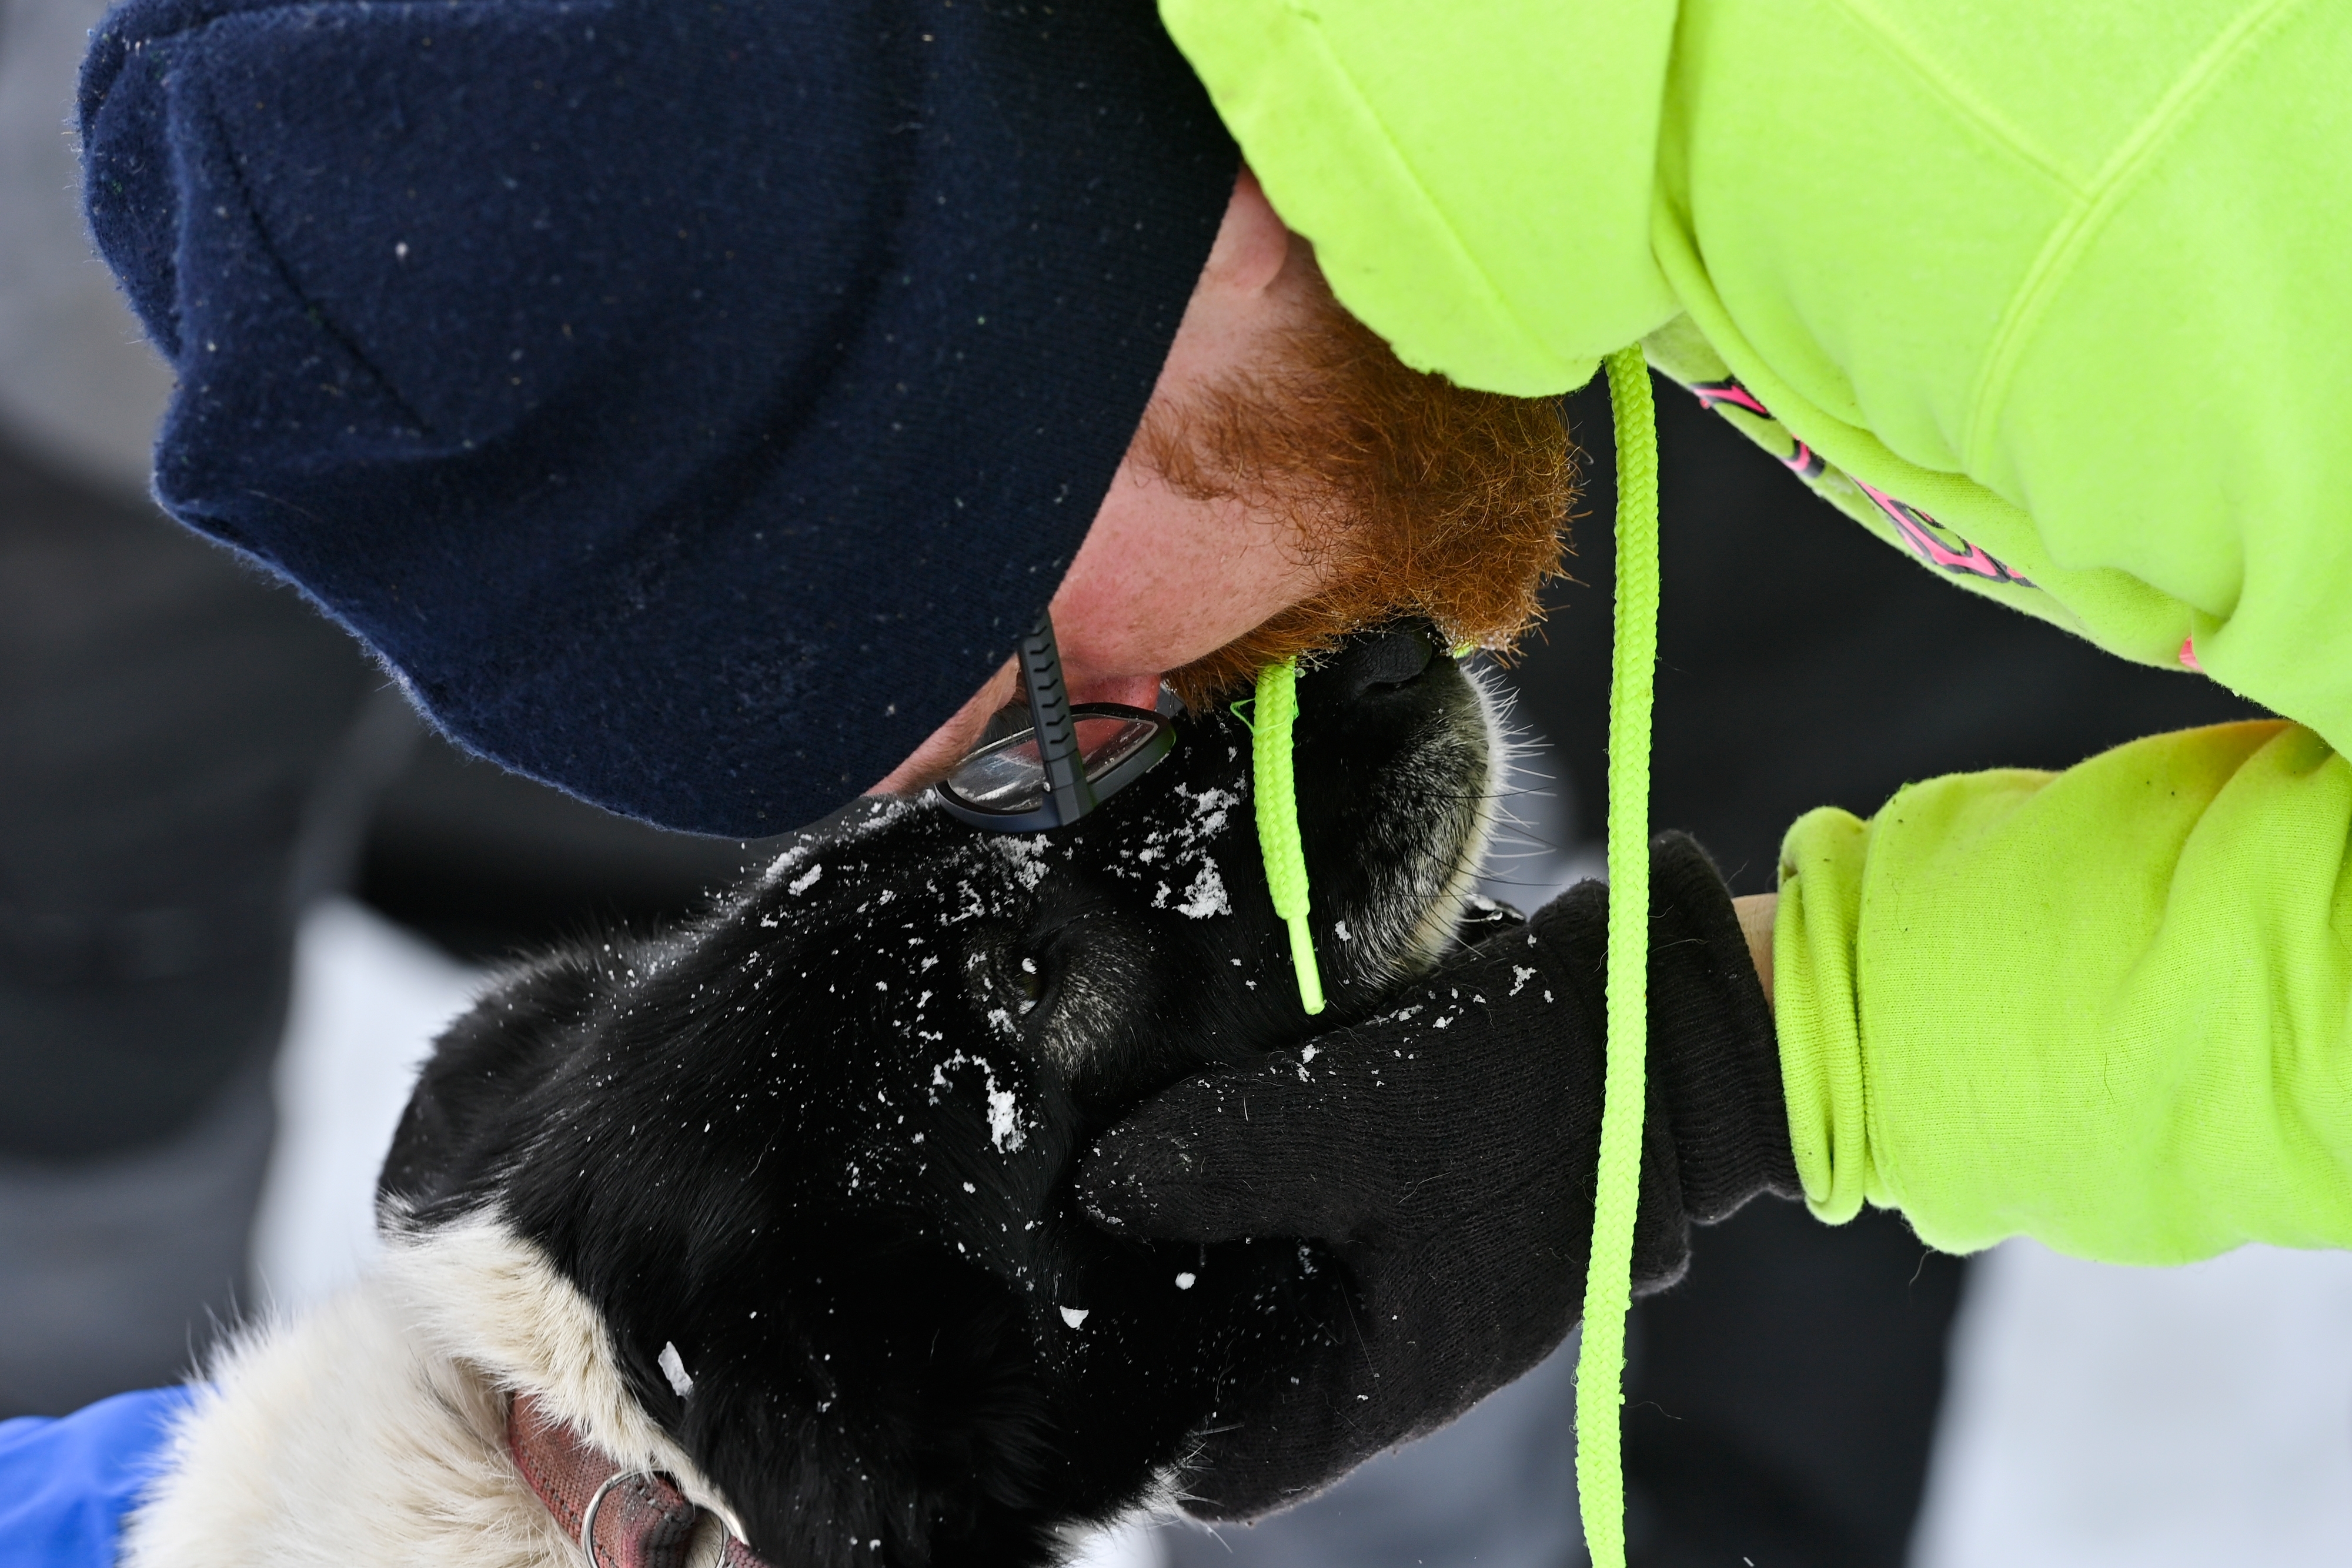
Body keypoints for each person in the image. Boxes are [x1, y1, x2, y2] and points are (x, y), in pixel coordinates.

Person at [16, 0, 2352, 1559]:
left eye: (1030, 719)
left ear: (1012, 331)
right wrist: (1778, 1050)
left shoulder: (2094, 166)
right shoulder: (1555, 140)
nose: (1168, 748)